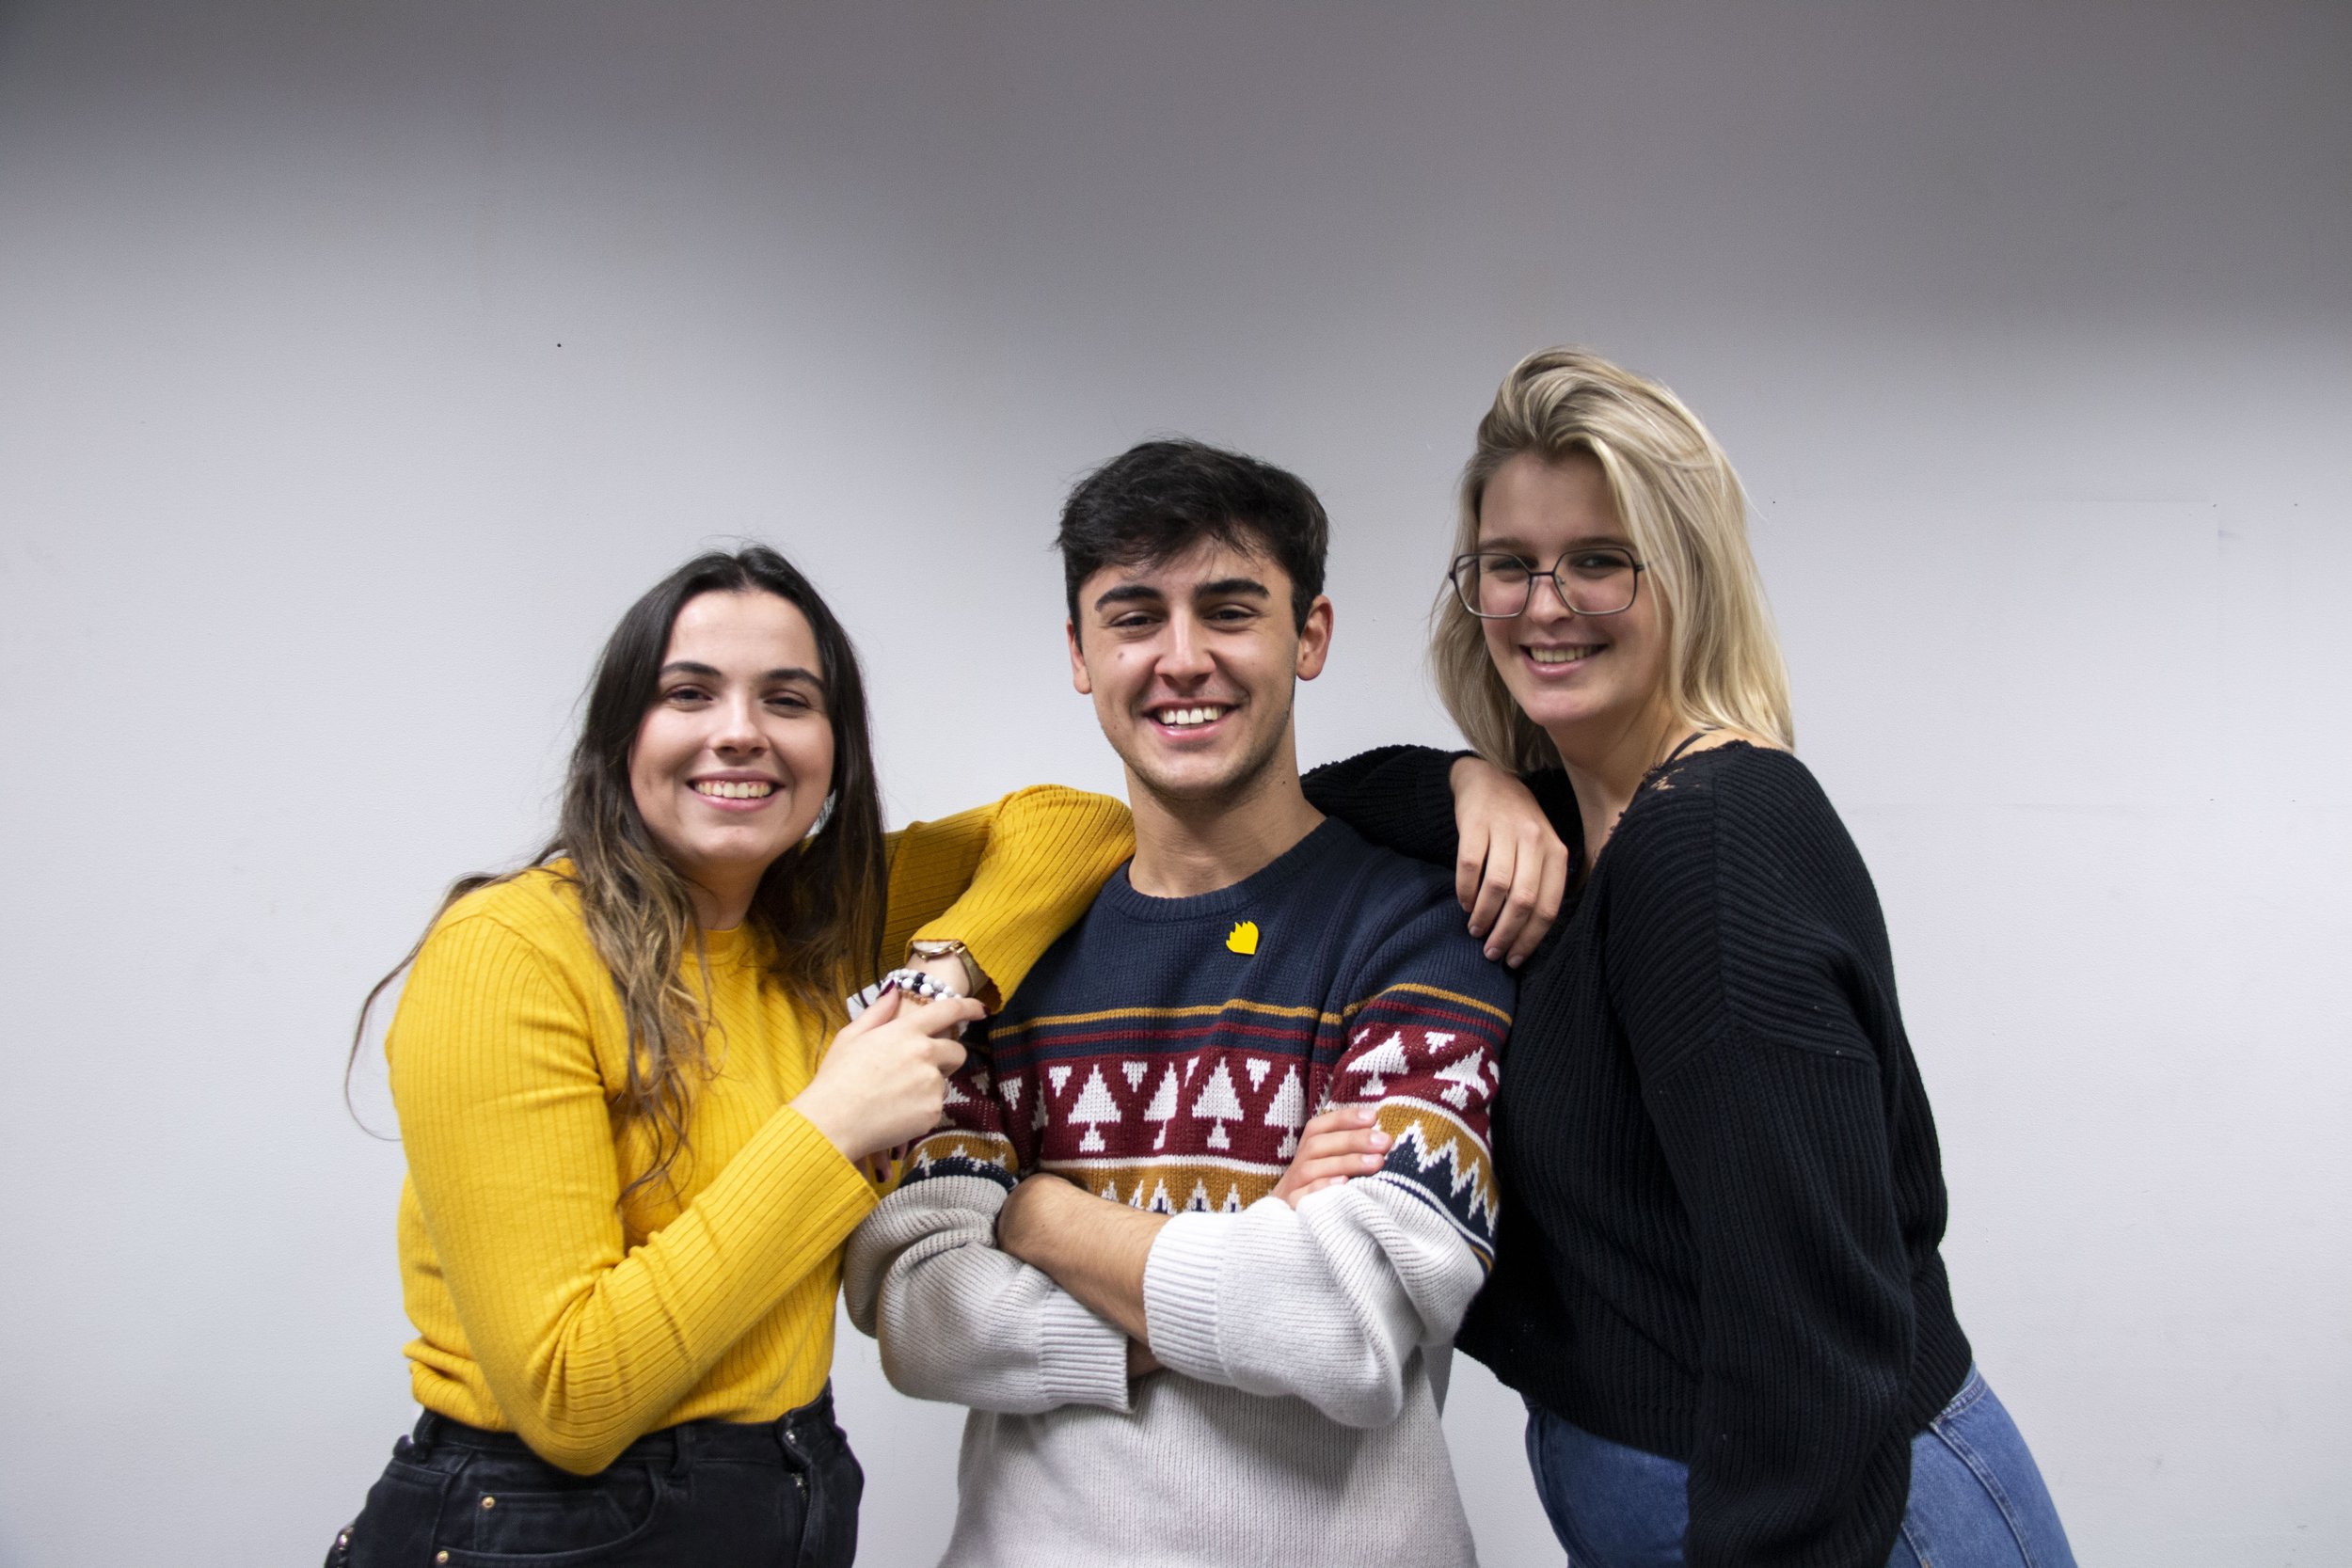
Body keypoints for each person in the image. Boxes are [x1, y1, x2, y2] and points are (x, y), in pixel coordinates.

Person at [1302, 348, 2077, 1568]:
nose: (1545, 605)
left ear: (1689, 575)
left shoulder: (1706, 848)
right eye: (1509, 566)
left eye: (1599, 561)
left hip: (1836, 1517)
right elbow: (1317, 804)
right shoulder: (1582, 824)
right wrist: (1468, 780)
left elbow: (1812, 1339)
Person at [326, 546, 1132, 1568]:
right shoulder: (509, 952)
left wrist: (940, 972)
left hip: (783, 1491)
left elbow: (1078, 823)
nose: (741, 730)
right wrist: (830, 1124)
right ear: (623, 732)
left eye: (788, 699)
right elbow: (569, 1394)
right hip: (544, 1523)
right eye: (688, 692)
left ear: (835, 748)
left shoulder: (822, 923)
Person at [842, 440, 1517, 1567]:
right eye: (1134, 616)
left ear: (1309, 634)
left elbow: (1346, 1327)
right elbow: (921, 1316)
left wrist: (1033, 1212)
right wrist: (1253, 1244)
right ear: (1078, 652)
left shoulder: (1418, 925)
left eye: (1229, 608)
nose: (1182, 658)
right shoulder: (1003, 942)